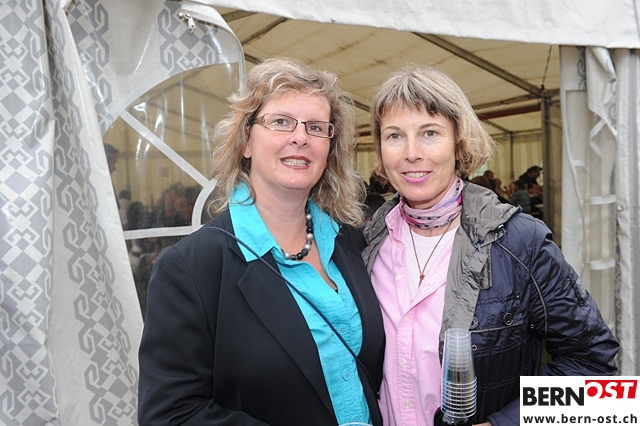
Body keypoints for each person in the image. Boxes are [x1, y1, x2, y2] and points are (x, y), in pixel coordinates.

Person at [361, 65, 619, 426]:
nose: (411, 153)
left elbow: (595, 367)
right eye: (394, 136)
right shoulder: (365, 242)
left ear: (459, 143)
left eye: (430, 133)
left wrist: (501, 423)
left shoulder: (520, 241)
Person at [138, 57, 385, 426]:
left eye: (316, 127)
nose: (300, 137)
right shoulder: (192, 267)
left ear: (329, 149)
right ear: (246, 142)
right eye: (281, 122)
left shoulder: (350, 242)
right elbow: (170, 414)